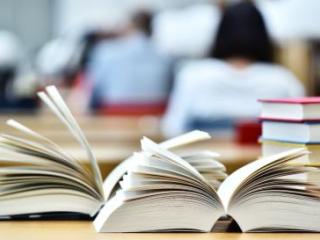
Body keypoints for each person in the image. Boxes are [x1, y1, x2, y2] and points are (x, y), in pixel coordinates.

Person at [162, 2, 305, 137]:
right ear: (264, 37)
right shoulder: (282, 80)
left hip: (205, 161)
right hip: (266, 160)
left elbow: (172, 127)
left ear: (219, 34)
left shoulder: (193, 75)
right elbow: (301, 130)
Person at [87, 11, 173, 115]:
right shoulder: (168, 55)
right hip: (156, 116)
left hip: (114, 115)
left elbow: (94, 91)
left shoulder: (106, 51)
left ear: (129, 26)